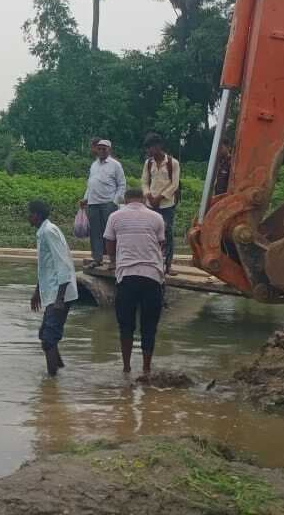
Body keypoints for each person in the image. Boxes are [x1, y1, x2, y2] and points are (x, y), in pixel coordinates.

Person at [105, 188, 167, 381]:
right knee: (149, 327)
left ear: (125, 199)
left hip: (127, 277)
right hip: (152, 277)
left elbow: (109, 241)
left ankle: (126, 369)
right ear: (143, 199)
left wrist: (114, 261)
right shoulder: (156, 217)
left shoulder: (115, 216)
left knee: (126, 326)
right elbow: (161, 244)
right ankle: (147, 370)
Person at [29, 199, 79, 377]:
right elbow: (46, 266)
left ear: (36, 215)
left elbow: (62, 264)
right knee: (45, 335)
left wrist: (59, 299)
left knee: (48, 339)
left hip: (59, 294)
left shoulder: (49, 231)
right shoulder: (43, 232)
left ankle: (52, 383)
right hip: (51, 292)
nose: (29, 217)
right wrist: (37, 292)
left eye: (30, 213)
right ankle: (59, 369)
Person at [79, 139, 126, 267]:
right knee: (95, 233)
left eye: (104, 148)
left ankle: (113, 260)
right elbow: (91, 184)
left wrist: (114, 202)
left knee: (111, 233)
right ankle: (97, 259)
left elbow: (121, 185)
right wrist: (85, 198)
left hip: (107, 203)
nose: (101, 151)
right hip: (93, 204)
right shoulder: (94, 165)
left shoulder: (115, 165)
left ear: (109, 150)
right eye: (99, 148)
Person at [141, 133, 180, 275]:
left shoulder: (172, 163)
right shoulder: (148, 163)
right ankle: (152, 263)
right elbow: (144, 182)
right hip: (150, 204)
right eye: (148, 148)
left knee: (167, 233)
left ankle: (168, 266)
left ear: (159, 146)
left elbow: (174, 184)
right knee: (151, 233)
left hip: (166, 205)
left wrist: (160, 197)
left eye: (151, 147)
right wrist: (148, 195)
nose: (149, 151)